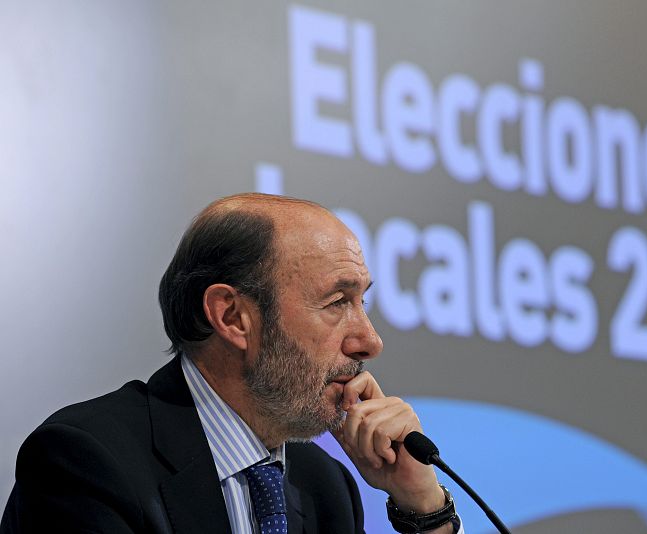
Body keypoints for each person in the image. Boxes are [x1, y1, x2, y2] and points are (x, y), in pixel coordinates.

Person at [1, 193, 462, 533]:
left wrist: (423, 505)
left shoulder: (325, 487)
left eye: (363, 302)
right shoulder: (89, 461)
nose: (370, 341)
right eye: (338, 302)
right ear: (231, 316)